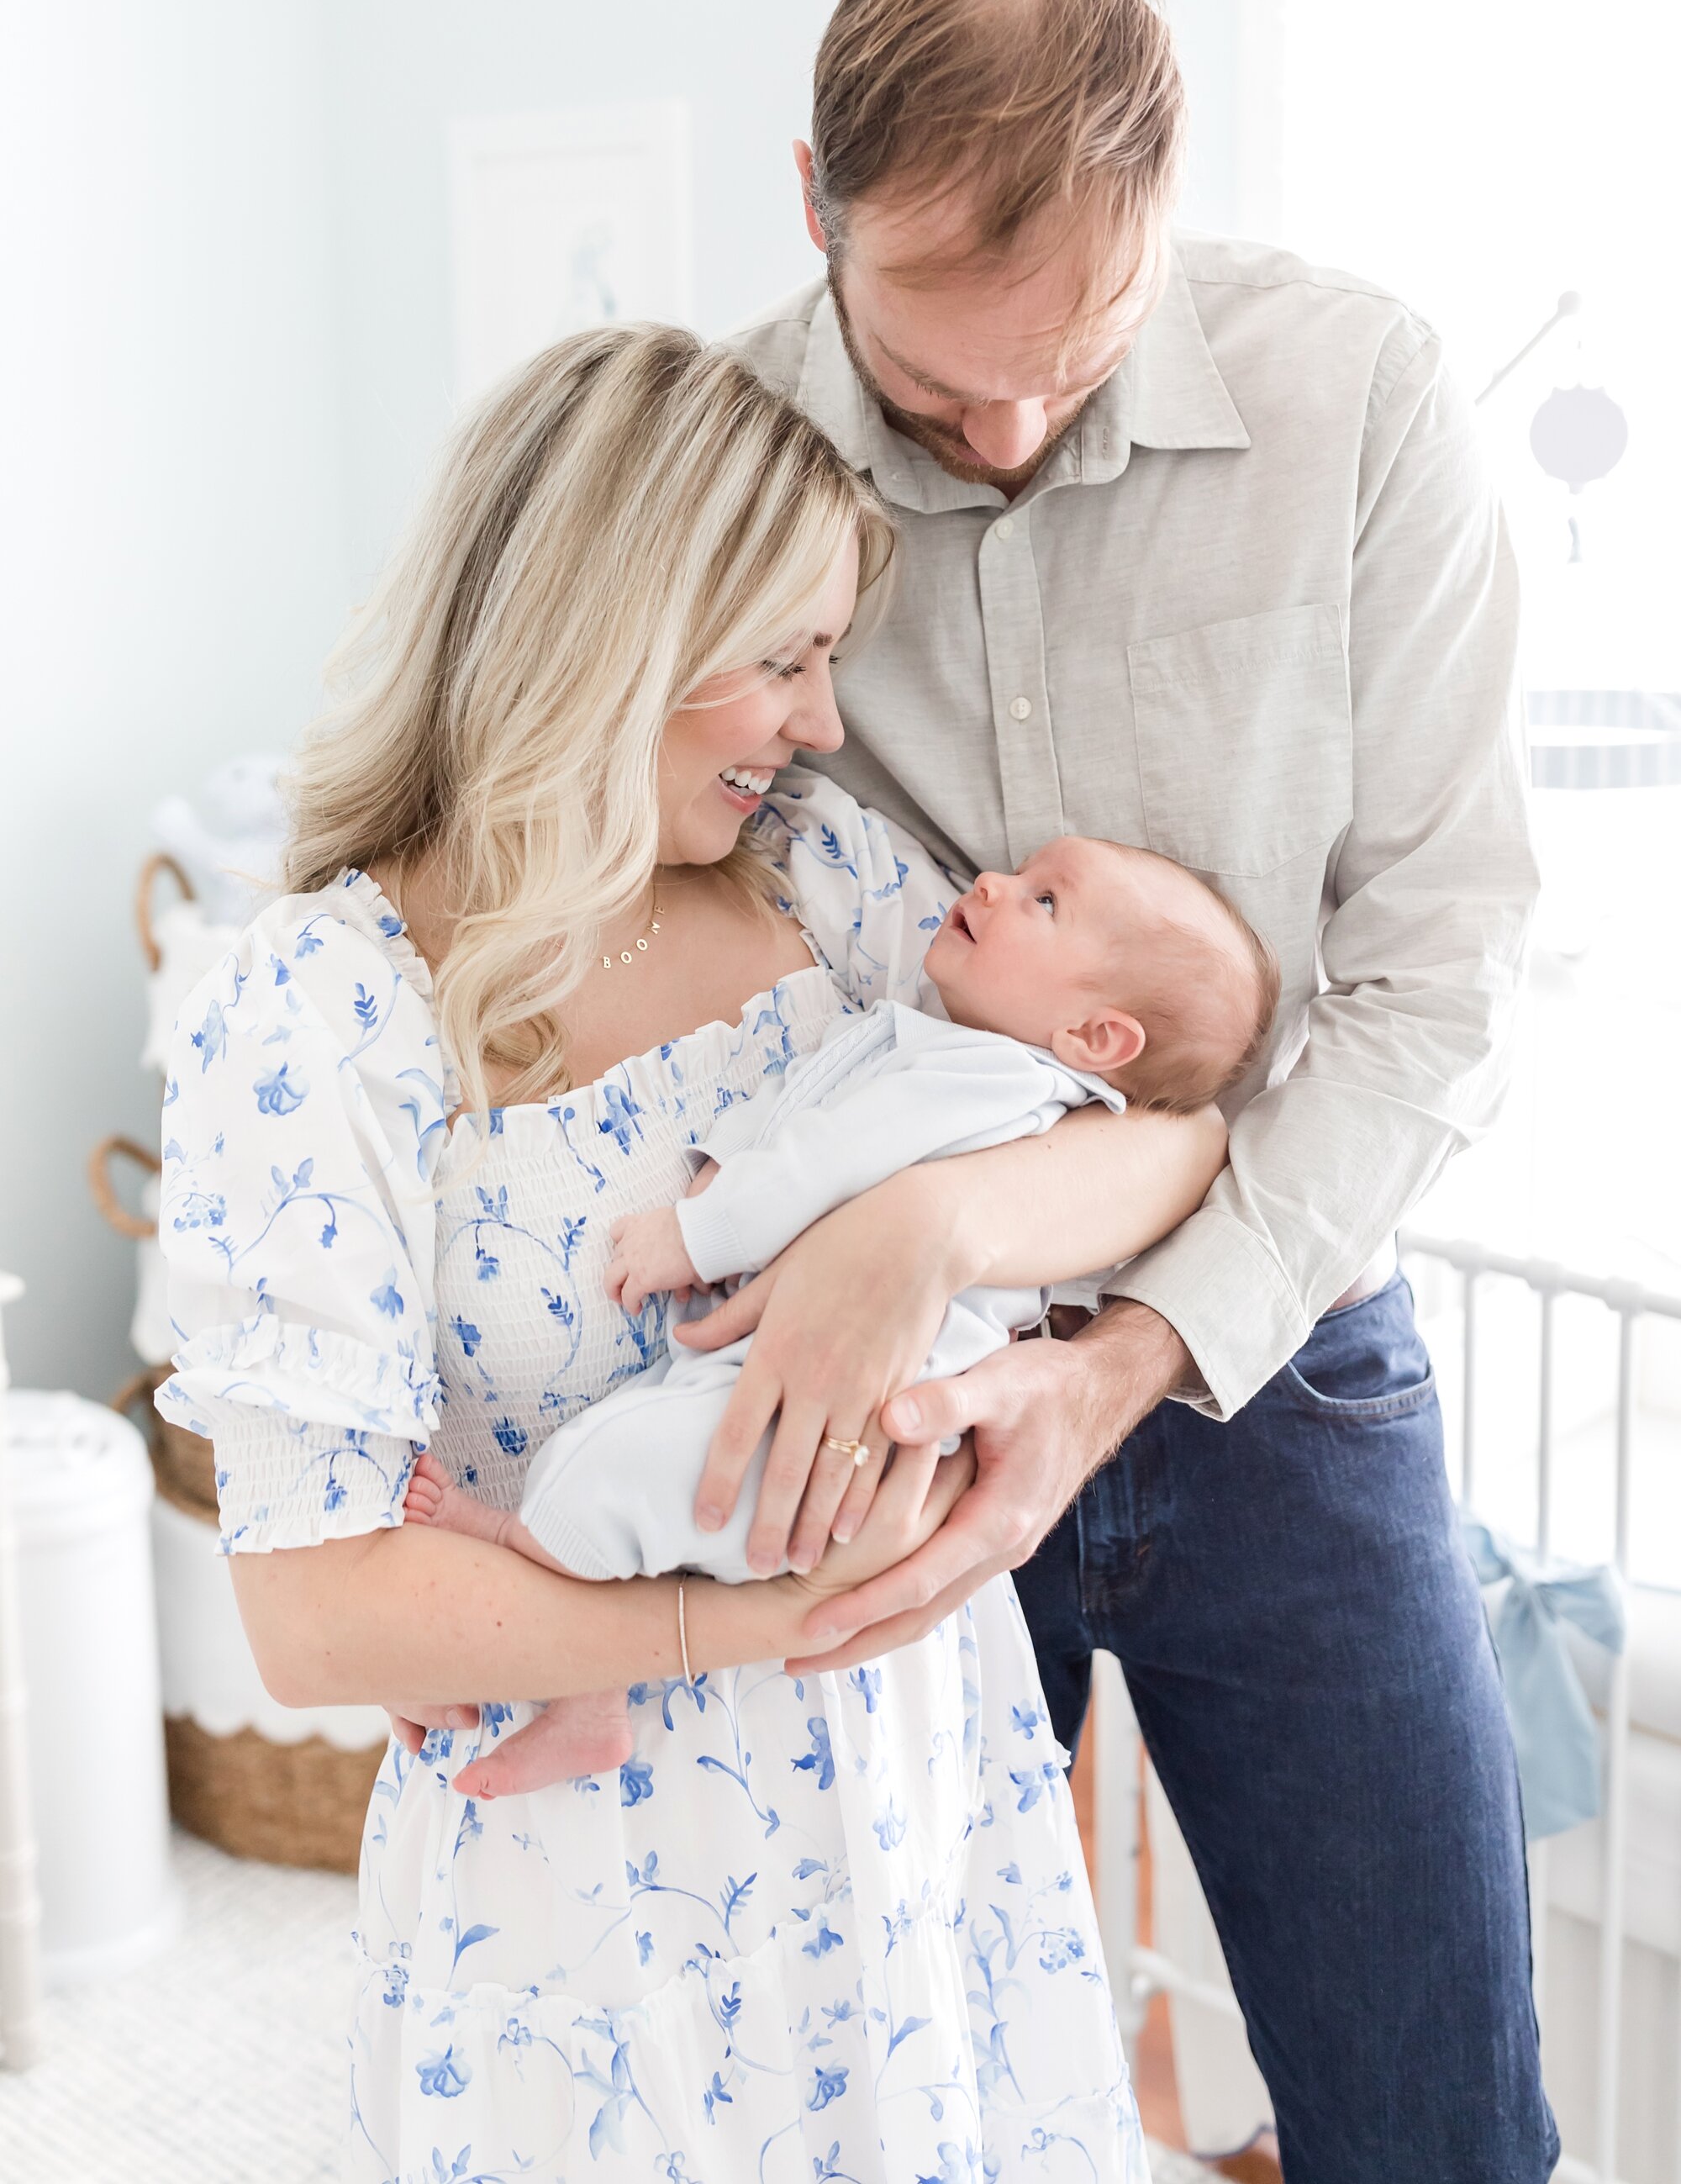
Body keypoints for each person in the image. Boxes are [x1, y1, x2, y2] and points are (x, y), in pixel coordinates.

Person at [155, 324, 1223, 2181]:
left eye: (830, 659)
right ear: (609, 643)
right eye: (782, 661)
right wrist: (728, 1629)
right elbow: (315, 1610)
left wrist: (922, 1223)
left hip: (896, 1810)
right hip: (585, 1900)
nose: (823, 720)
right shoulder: (323, 1009)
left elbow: (1169, 1148)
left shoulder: (826, 884)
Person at [714, 0, 1553, 2182]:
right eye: (929, 374)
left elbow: (1444, 964)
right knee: (892, 2108)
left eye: (1065, 362)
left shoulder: (1359, 395)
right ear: (816, 203)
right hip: (882, 1381)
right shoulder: (707, 454)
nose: (999, 433)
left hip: (1280, 1365)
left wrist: (1122, 1361)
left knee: (1438, 2119)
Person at [403, 824, 1278, 1796]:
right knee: (635, 1450)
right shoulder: (970, 1066)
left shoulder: (994, 1081)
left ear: (1095, 1039)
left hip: (827, 1434)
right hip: (805, 1404)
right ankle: (588, 1695)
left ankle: (525, 1580)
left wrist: (694, 1237)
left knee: (611, 1466)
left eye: (1043, 902)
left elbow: (823, 1163)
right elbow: (810, 1119)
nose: (990, 883)